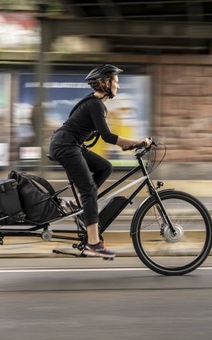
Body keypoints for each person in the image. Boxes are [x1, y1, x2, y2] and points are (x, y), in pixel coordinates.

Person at [48, 64, 151, 258]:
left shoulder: (94, 104)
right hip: (65, 146)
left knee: (105, 167)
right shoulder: (95, 104)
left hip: (69, 144)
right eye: (116, 82)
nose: (118, 87)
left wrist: (128, 144)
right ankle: (93, 243)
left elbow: (103, 136)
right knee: (89, 190)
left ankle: (73, 205)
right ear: (105, 82)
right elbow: (108, 137)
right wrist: (137, 141)